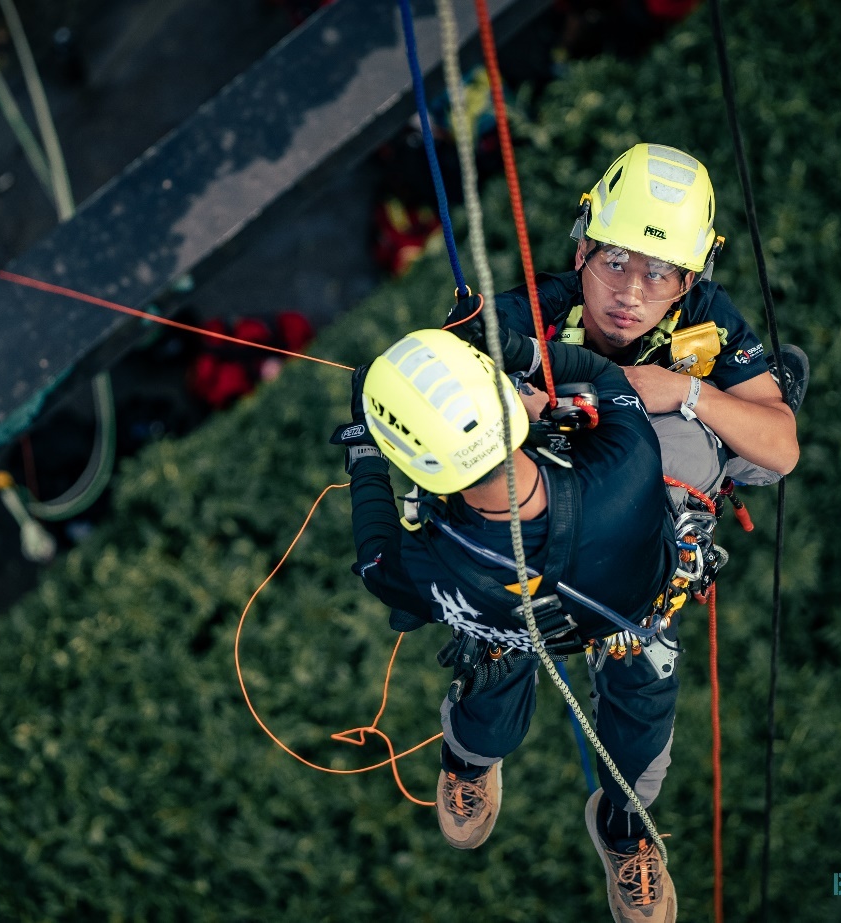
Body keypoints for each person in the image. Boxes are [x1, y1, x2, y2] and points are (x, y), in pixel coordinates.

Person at [335, 327, 691, 922]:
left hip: (507, 621)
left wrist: (365, 456)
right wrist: (523, 352)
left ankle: (605, 819)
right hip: (633, 613)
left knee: (490, 686)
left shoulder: (433, 566)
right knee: (640, 733)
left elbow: (376, 562)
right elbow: (607, 380)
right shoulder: (629, 460)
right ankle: (616, 821)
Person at [471, 142, 804, 503]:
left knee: (758, 460)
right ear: (583, 253)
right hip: (567, 477)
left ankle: (726, 428)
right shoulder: (537, 309)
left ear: (687, 283)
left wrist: (687, 392)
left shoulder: (705, 317)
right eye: (615, 262)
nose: (630, 295)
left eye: (657, 274)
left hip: (656, 458)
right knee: (699, 441)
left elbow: (782, 451)